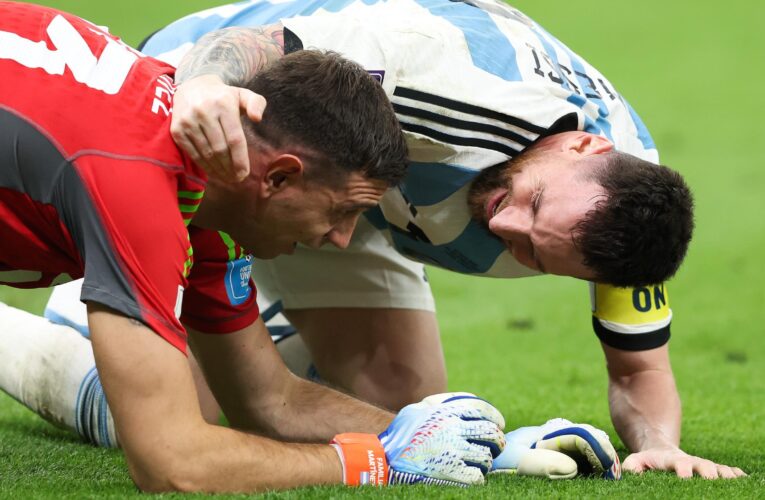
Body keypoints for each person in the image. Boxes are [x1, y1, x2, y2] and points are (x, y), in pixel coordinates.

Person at [128, 0, 743, 479]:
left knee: (406, 416)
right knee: (184, 412)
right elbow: (266, 51)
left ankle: (250, 341)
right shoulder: (444, 72)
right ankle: (73, 336)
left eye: (531, 253)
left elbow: (639, 373)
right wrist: (201, 90)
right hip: (221, 101)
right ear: (585, 145)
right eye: (533, 204)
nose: (504, 229)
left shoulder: (625, 223)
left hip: (364, 193)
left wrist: (660, 446)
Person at [0, 1, 509, 492]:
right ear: (280, 177)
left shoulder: (208, 192)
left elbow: (271, 401)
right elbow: (171, 462)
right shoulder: (142, 186)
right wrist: (374, 462)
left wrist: (444, 439)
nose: (341, 239)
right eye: (342, 211)